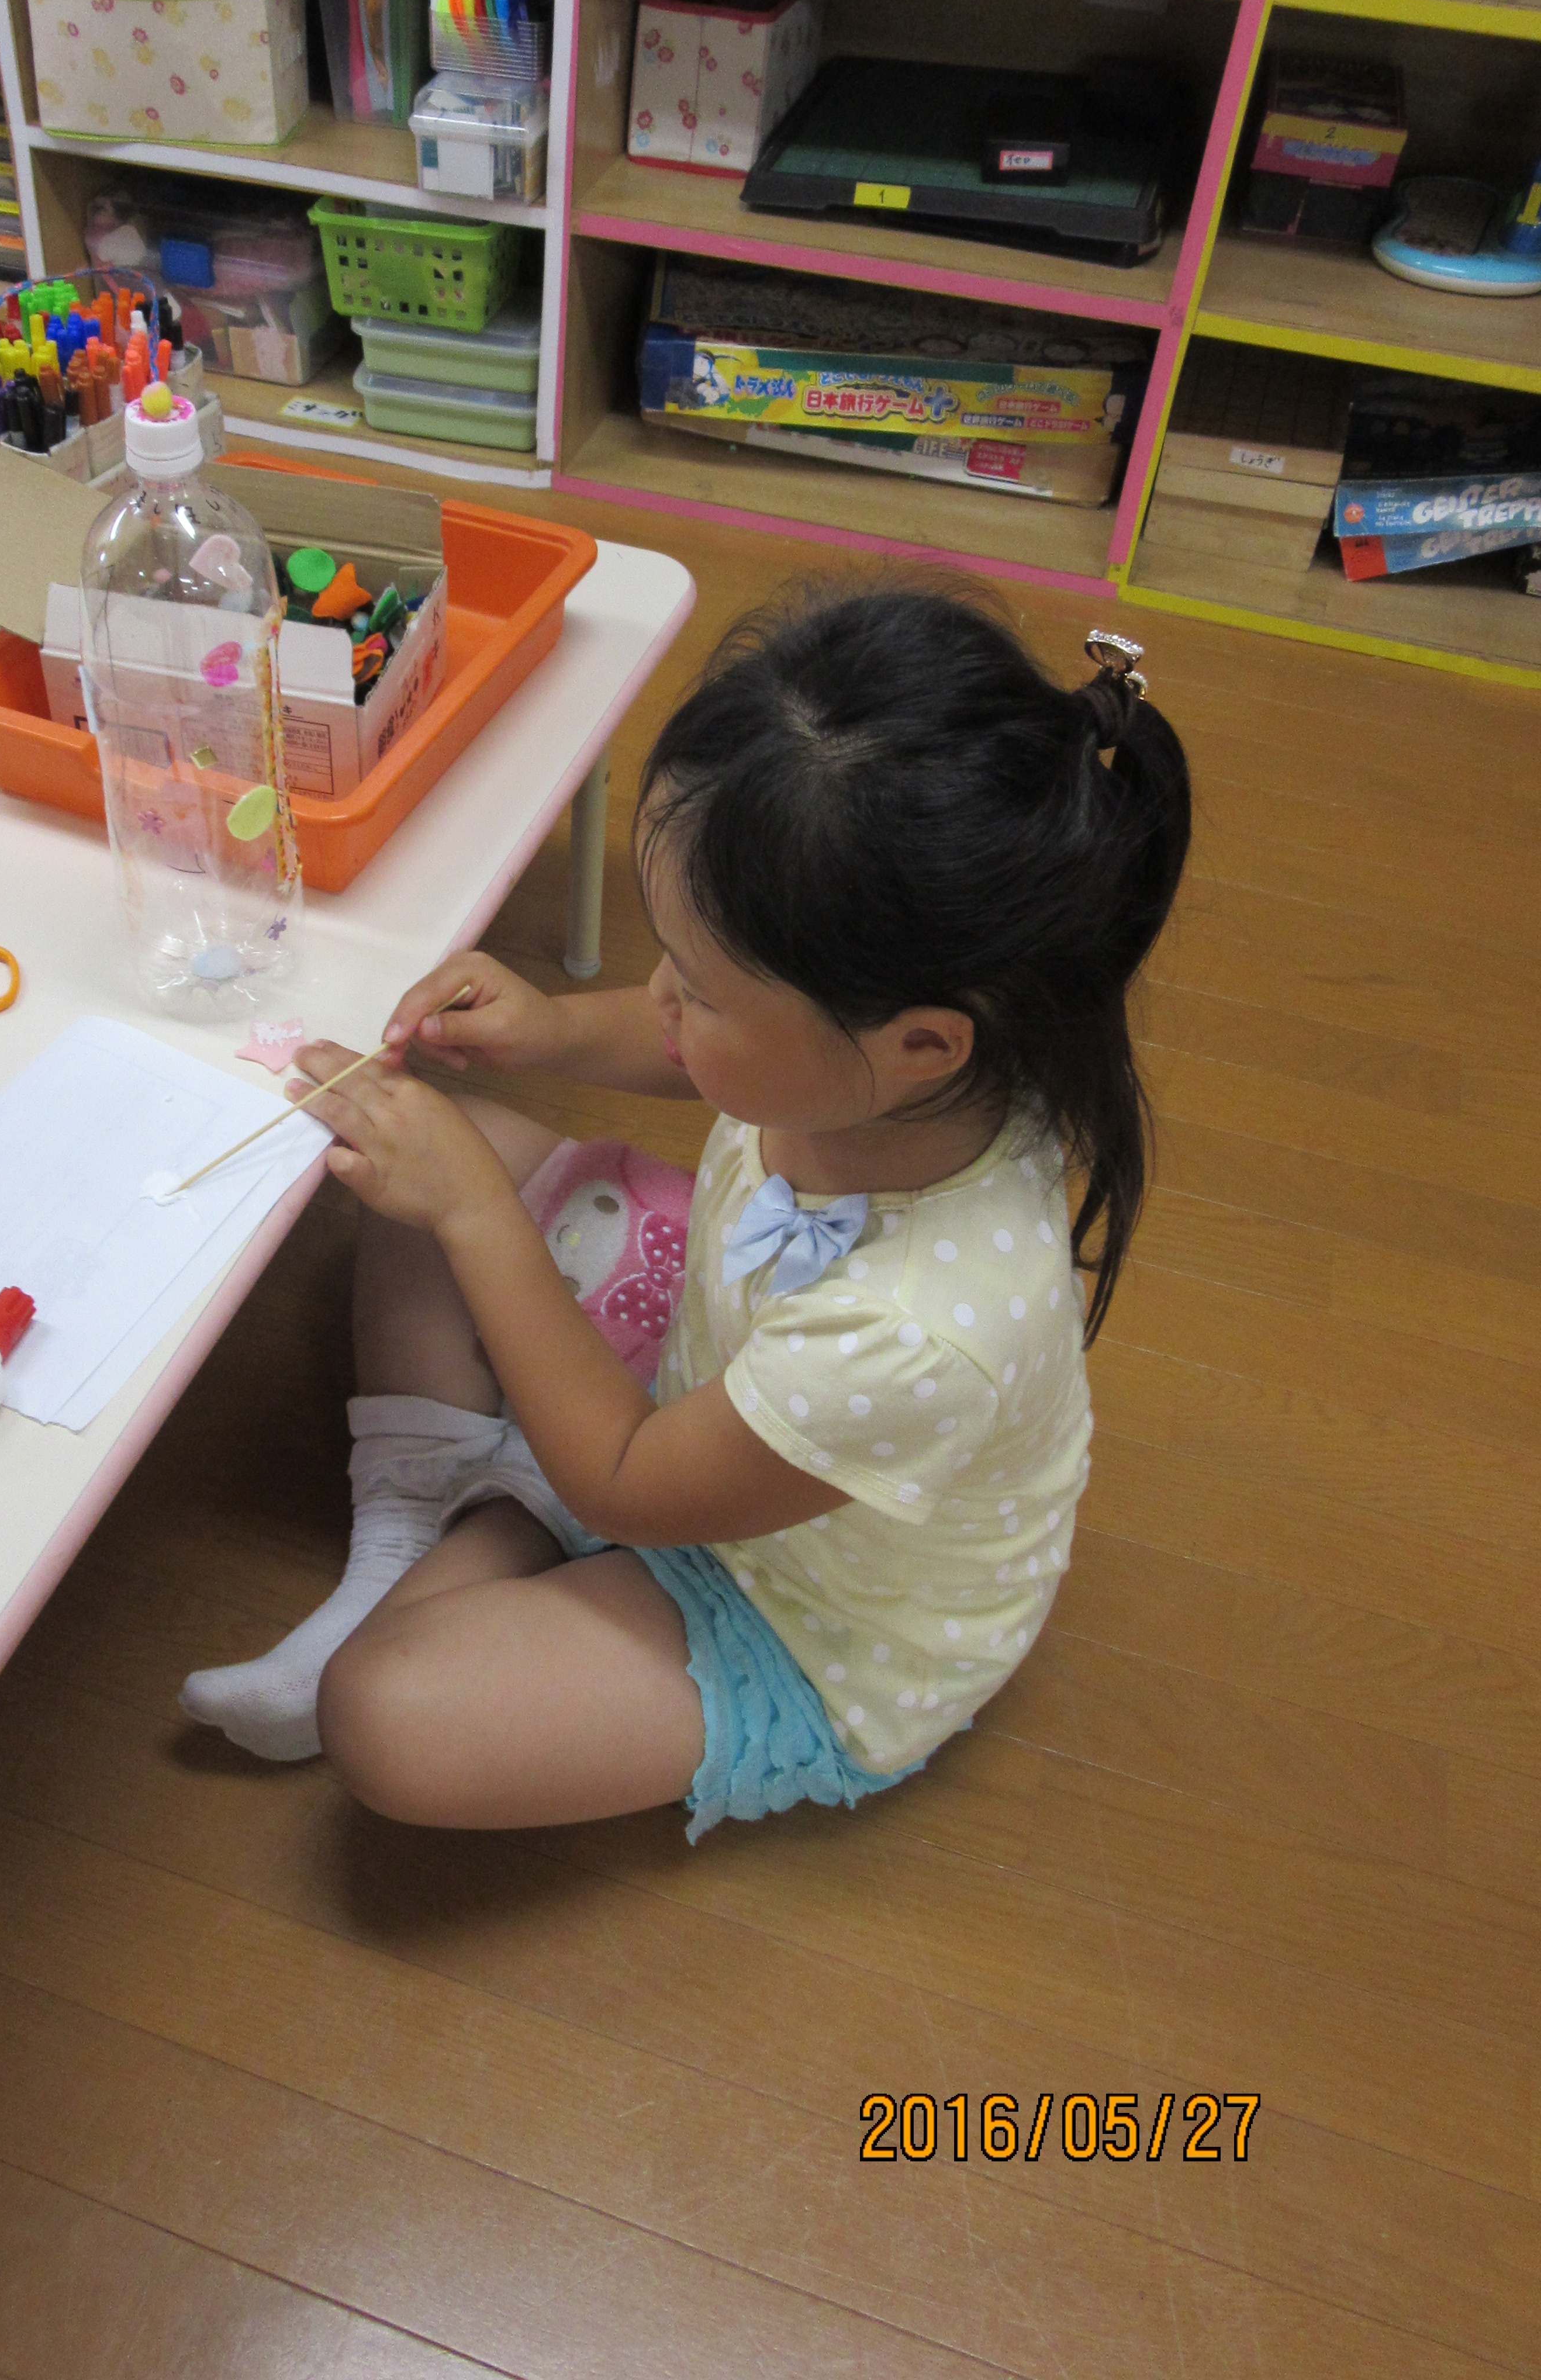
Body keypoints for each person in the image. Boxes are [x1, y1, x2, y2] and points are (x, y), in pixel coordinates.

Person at [182, 586, 1191, 1841]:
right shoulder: (918, 1062)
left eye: (700, 988)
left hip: (796, 1611)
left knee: (385, 1711)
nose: (661, 999)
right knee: (419, 1156)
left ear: (920, 1042)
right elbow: (698, 1055)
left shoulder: (919, 1332)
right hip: (707, 1378)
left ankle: (489, 1516)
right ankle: (409, 1534)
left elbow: (629, 1488)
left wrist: (481, 1215)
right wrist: (551, 1031)